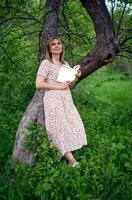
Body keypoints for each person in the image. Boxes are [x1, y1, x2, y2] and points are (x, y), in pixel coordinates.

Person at [36, 36, 87, 167]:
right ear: (49, 48)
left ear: (62, 47)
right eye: (53, 44)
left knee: (72, 124)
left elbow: (69, 85)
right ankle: (73, 162)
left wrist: (76, 77)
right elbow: (38, 84)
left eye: (59, 43)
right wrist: (58, 86)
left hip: (66, 98)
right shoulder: (46, 64)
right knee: (57, 128)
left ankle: (63, 152)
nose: (57, 45)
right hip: (53, 99)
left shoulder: (66, 65)